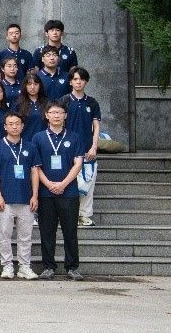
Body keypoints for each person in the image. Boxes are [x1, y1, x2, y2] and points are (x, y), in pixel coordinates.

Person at [33, 101, 84, 280]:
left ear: (65, 115)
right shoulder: (38, 138)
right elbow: (35, 166)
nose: (56, 115)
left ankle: (72, 267)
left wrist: (63, 184)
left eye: (60, 112)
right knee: (47, 232)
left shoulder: (74, 137)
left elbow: (78, 163)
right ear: (46, 115)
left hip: (69, 192)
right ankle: (48, 267)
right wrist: (48, 184)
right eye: (53, 112)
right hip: (46, 193)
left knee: (70, 231)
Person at [0, 111, 40, 280]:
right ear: (5, 126)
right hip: (5, 199)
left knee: (25, 236)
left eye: (17, 123)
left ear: (23, 126)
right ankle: (7, 266)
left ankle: (24, 266)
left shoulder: (30, 147)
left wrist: (35, 195)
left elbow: (35, 172)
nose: (14, 126)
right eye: (10, 124)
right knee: (4, 235)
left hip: (26, 198)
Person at [61, 66, 101, 226]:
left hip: (87, 149)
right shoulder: (64, 101)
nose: (78, 82)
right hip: (67, 150)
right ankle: (69, 215)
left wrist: (94, 147)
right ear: (70, 82)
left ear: (86, 82)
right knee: (68, 183)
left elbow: (96, 126)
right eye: (75, 79)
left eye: (82, 79)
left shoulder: (92, 102)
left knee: (88, 183)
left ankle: (84, 215)